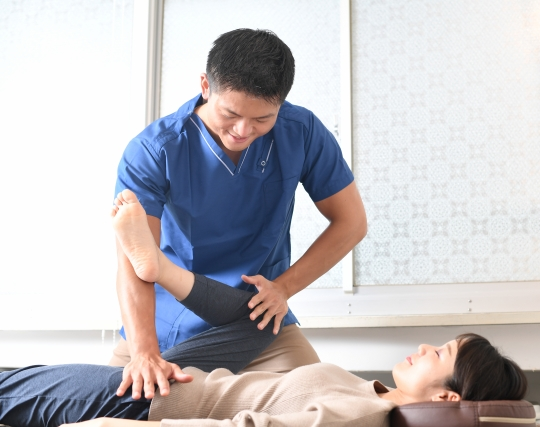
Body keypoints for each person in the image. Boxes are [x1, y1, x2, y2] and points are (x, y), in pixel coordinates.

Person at [0, 191, 528, 427]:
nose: (424, 346)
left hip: (151, 404)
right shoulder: (367, 393)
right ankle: (157, 266)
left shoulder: (363, 415)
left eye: (440, 352)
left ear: (446, 396)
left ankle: (158, 267)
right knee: (261, 307)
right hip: (177, 385)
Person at [111, 27, 367, 400]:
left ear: (281, 104)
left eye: (262, 119)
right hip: (165, 325)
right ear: (205, 86)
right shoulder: (154, 149)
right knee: (108, 412)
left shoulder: (301, 132)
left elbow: (352, 222)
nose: (243, 130)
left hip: (258, 320)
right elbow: (132, 264)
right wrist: (145, 352)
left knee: (327, 402)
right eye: (230, 113)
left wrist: (284, 288)